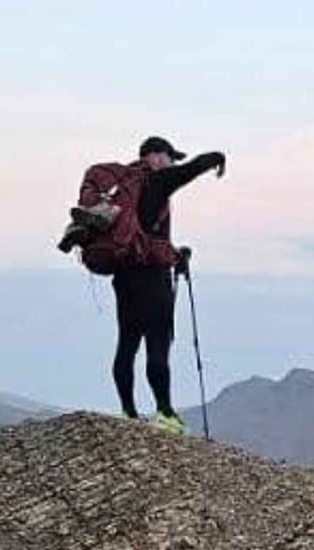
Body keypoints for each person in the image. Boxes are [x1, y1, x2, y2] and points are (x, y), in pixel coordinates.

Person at [107, 136, 225, 433]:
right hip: (153, 278)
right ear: (157, 157)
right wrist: (217, 157)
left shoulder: (122, 189)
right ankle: (165, 413)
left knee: (127, 344)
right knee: (158, 343)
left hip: (124, 277)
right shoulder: (158, 181)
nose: (173, 164)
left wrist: (174, 252)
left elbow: (145, 234)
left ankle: (128, 411)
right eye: (171, 158)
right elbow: (191, 169)